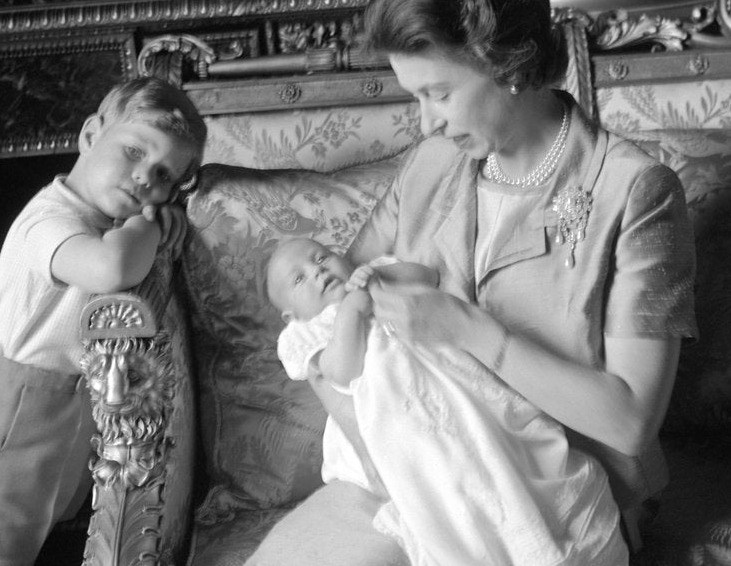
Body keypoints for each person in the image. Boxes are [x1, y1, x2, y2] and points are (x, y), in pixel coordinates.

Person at [247, 0, 696, 566]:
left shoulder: (633, 192)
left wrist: (467, 330)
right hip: (417, 474)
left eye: (438, 93)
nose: (425, 121)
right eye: (414, 96)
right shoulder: (432, 164)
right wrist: (395, 465)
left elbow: (628, 421)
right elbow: (321, 329)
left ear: (507, 63)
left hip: (555, 498)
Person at [0, 77, 207, 566]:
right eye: (133, 151)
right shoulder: (50, 220)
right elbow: (111, 269)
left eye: (165, 176)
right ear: (89, 136)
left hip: (60, 412)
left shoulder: (104, 223)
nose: (147, 179)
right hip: (12, 419)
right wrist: (146, 225)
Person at [266, 237, 627, 566]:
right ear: (290, 315)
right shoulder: (308, 331)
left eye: (321, 257)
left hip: (455, 391)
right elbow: (340, 372)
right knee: (444, 485)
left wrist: (381, 275)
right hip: (395, 419)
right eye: (298, 279)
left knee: (497, 451)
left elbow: (427, 275)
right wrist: (351, 313)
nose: (316, 271)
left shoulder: (375, 274)